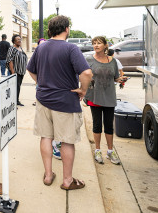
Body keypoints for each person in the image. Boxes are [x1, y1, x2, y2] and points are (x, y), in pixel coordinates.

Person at [27, 15, 92, 190]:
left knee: (46, 137)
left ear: (50, 31)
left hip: (43, 100)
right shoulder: (71, 48)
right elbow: (86, 73)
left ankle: (48, 175)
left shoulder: (41, 47)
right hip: (65, 101)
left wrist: (40, 83)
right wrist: (83, 90)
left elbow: (30, 70)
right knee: (67, 141)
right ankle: (67, 180)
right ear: (67, 29)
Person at [86, 36, 122, 165]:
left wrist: (121, 80)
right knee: (97, 124)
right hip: (94, 96)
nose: (96, 45)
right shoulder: (88, 59)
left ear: (105, 46)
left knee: (108, 125)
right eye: (94, 43)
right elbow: (82, 75)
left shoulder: (113, 61)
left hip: (109, 96)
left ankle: (110, 151)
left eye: (99, 43)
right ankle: (97, 150)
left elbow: (116, 78)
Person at [6, 34, 28, 106]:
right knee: (14, 87)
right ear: (13, 41)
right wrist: (12, 72)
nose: (19, 40)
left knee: (18, 87)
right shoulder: (12, 48)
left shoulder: (20, 48)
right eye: (18, 39)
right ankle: (13, 102)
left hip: (21, 71)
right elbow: (9, 60)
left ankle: (16, 100)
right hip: (15, 71)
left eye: (20, 39)